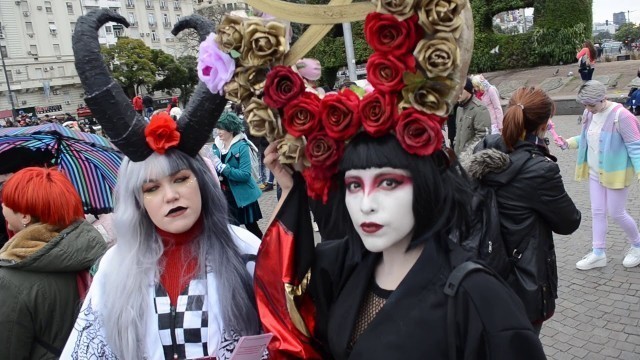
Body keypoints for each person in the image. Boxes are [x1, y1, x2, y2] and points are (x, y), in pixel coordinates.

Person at [62, 10, 263, 359]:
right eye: (151, 188)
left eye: (181, 179)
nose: (170, 195)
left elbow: (284, 337)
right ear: (138, 200)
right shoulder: (114, 267)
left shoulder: (245, 250)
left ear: (201, 182)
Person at [465, 86, 582, 334]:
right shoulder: (540, 170)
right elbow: (569, 221)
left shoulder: (484, 148)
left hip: (482, 269)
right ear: (543, 125)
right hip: (523, 278)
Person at [0, 167, 106, 359]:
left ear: (25, 216)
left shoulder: (9, 279)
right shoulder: (99, 256)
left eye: (5, 201)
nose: (2, 206)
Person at [555, 80, 640, 270]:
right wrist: (568, 142)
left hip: (616, 174)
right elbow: (586, 137)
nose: (588, 109)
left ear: (604, 99)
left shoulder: (622, 116)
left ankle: (637, 245)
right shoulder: (588, 113)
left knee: (617, 213)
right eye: (585, 105)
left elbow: (635, 147)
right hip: (595, 172)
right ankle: (598, 253)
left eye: (591, 105)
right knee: (597, 212)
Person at [212, 112, 264, 239]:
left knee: (252, 228)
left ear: (231, 128)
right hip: (225, 195)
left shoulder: (242, 146)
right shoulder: (216, 146)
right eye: (218, 128)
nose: (218, 131)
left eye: (222, 128)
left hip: (243, 195)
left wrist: (224, 168)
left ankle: (262, 250)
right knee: (232, 230)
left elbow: (245, 175)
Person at [454, 78, 491, 159]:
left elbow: (483, 136)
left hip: (472, 159)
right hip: (458, 158)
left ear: (468, 90)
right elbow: (458, 132)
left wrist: (467, 153)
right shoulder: (459, 109)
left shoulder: (480, 109)